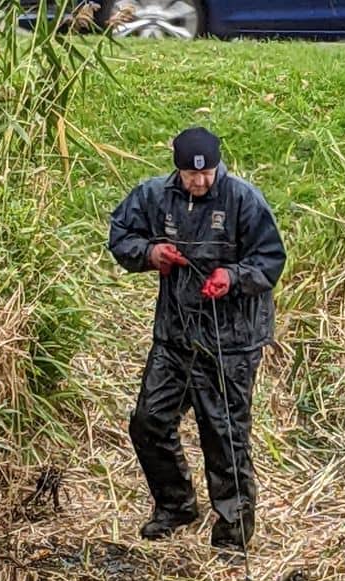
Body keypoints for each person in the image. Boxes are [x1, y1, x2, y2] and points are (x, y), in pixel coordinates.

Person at [109, 127, 286, 549]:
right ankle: (175, 505)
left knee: (223, 432)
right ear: (178, 169)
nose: (200, 182)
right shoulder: (154, 196)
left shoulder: (243, 199)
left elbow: (270, 259)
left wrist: (233, 276)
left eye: (206, 175)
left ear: (218, 166)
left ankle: (232, 532)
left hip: (232, 339)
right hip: (175, 334)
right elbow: (121, 235)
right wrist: (151, 254)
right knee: (148, 421)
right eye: (191, 174)